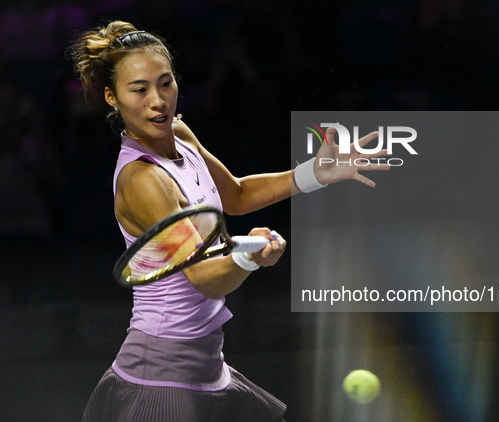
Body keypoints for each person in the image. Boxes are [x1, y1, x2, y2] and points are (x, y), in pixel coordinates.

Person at [68, 20, 388, 422]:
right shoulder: (143, 180)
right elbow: (204, 277)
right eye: (139, 89)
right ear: (112, 97)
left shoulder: (181, 134)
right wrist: (251, 256)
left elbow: (234, 194)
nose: (158, 101)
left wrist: (313, 174)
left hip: (206, 365)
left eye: (165, 83)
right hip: (161, 378)